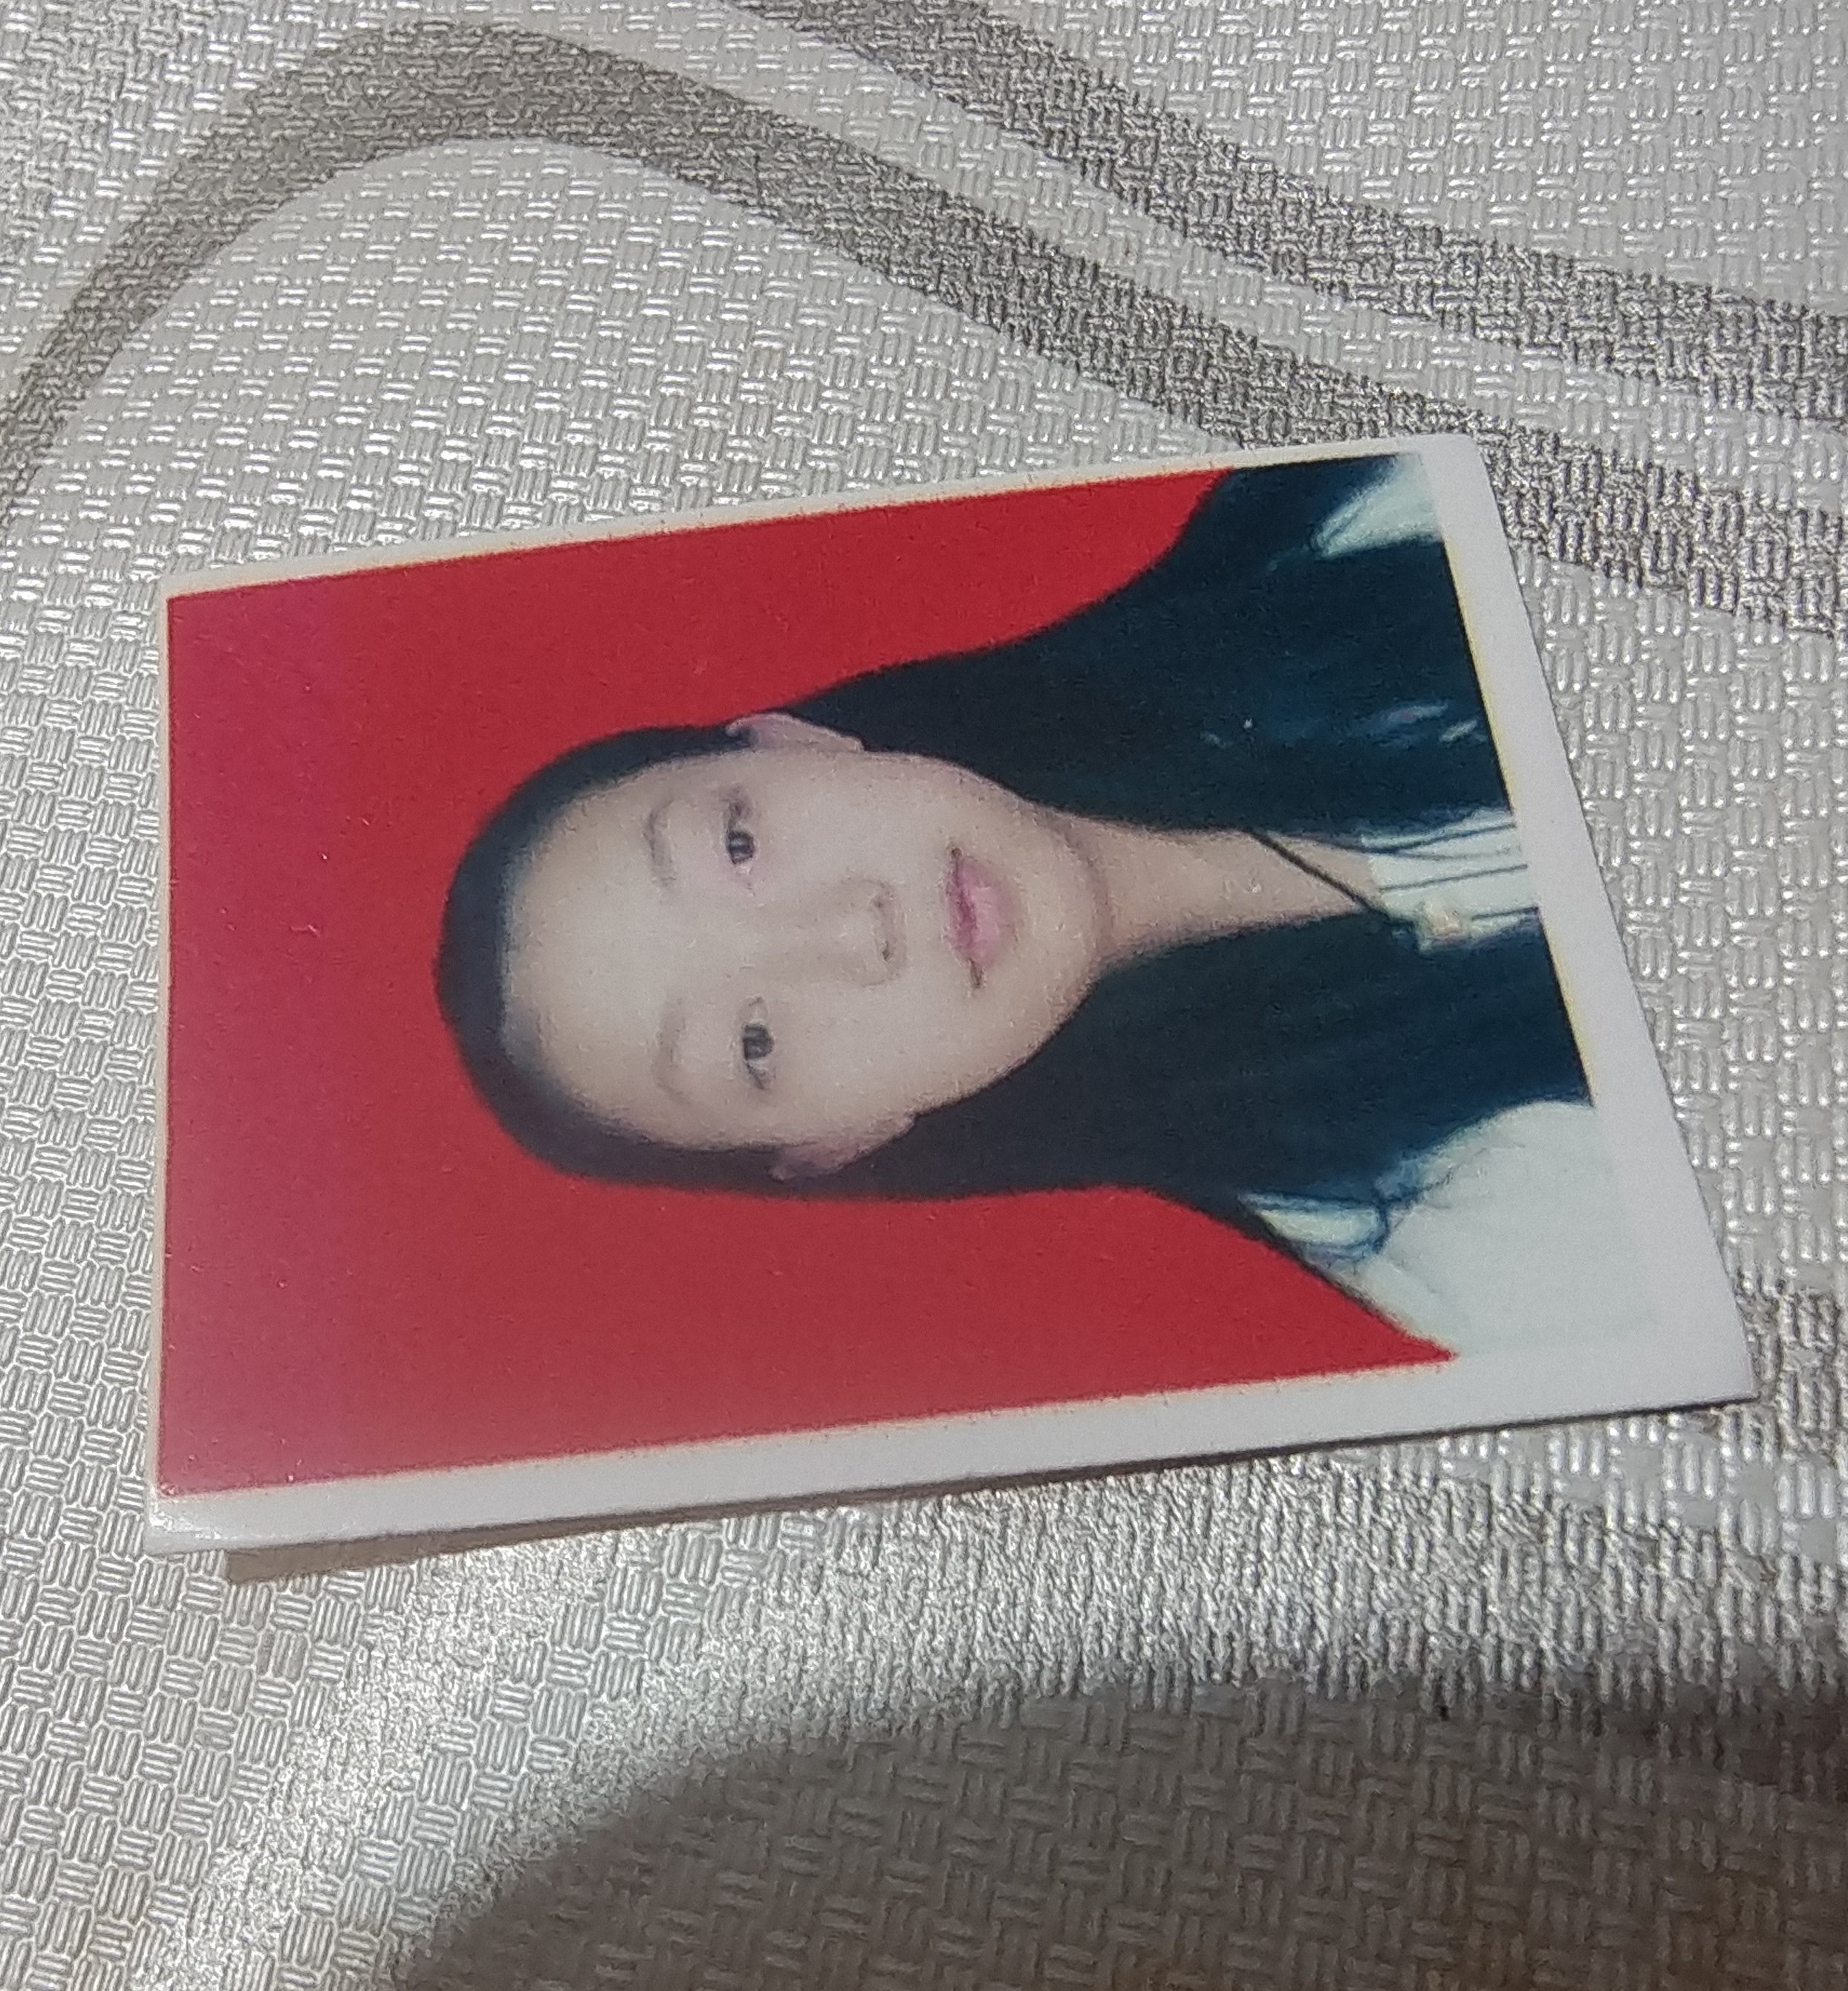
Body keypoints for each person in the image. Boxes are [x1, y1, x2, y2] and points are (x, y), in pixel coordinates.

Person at [436, 452, 1644, 1353]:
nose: (855, 927)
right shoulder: (1471, 1241)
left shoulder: (1354, 517)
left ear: (794, 739)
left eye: (739, 843)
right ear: (846, 1139)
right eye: (754, 1042)